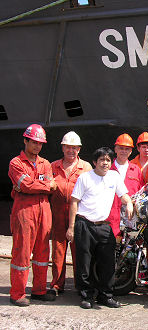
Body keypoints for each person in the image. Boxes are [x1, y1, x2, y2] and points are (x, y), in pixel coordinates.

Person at [67, 147, 133, 309]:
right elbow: (74, 202)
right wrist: (71, 227)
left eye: (108, 160)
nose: (105, 163)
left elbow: (123, 195)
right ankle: (86, 296)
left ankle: (106, 295)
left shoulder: (114, 177)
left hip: (104, 226)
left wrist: (129, 202)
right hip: (85, 224)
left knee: (108, 262)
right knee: (85, 263)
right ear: (95, 162)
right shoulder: (85, 178)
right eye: (102, 160)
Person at [8, 124, 57, 306]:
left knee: (43, 252)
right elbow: (26, 186)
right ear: (25, 141)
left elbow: (45, 185)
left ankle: (39, 290)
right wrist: (44, 185)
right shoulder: (16, 163)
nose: (37, 146)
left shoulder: (45, 164)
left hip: (44, 210)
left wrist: (34, 185)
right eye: (34, 142)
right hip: (24, 211)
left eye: (40, 143)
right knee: (22, 252)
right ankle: (17, 293)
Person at [50, 131, 92, 295]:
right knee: (58, 252)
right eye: (68, 147)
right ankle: (56, 285)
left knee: (80, 252)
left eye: (74, 148)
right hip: (58, 215)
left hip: (79, 216)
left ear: (79, 149)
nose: (71, 151)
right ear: (63, 148)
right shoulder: (52, 166)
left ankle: (80, 285)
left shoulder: (86, 167)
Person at [107, 133, 143, 237]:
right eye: (121, 148)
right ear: (115, 149)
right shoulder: (107, 169)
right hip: (110, 215)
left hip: (130, 216)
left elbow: (141, 193)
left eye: (127, 149)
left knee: (129, 248)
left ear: (131, 151)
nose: (123, 151)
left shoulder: (136, 170)